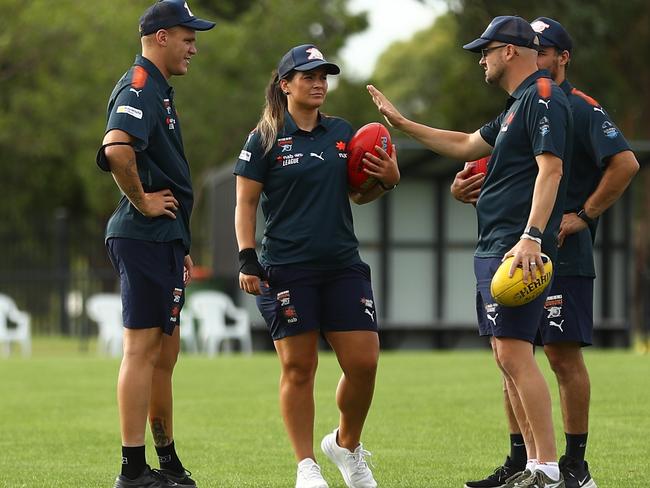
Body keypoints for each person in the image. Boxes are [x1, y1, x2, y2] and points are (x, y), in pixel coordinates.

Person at [368, 15, 573, 488]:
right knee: (507, 355)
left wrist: (531, 237)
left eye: (486, 49)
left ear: (510, 51)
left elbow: (552, 170)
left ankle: (546, 468)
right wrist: (402, 124)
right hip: (496, 244)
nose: (480, 57)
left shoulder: (542, 98)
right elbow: (463, 144)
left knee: (516, 354)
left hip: (515, 247)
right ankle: (534, 467)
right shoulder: (515, 107)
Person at [451, 17, 639, 488]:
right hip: (520, 248)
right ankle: (522, 462)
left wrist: (586, 215)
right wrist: (470, 187)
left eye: (546, 48)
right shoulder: (522, 107)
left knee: (560, 356)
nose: (539, 53)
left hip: (563, 254)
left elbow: (625, 163)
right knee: (510, 354)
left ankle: (573, 465)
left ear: (561, 58)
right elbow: (505, 173)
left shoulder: (577, 107)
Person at [234, 44, 399, 488]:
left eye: (323, 76)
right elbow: (245, 202)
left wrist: (388, 179)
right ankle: (306, 466)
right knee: (299, 369)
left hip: (342, 264)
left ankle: (345, 445)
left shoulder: (343, 133)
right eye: (308, 76)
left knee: (364, 363)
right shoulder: (264, 137)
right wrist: (247, 256)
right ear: (285, 84)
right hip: (287, 268)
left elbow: (358, 194)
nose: (318, 82)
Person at [96, 1, 215, 487]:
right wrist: (144, 202)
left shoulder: (160, 90)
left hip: (163, 238)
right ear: (160, 37)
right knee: (142, 352)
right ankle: (132, 469)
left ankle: (165, 463)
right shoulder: (140, 85)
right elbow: (116, 146)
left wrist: (178, 239)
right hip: (141, 235)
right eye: (188, 37)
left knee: (165, 356)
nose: (194, 46)